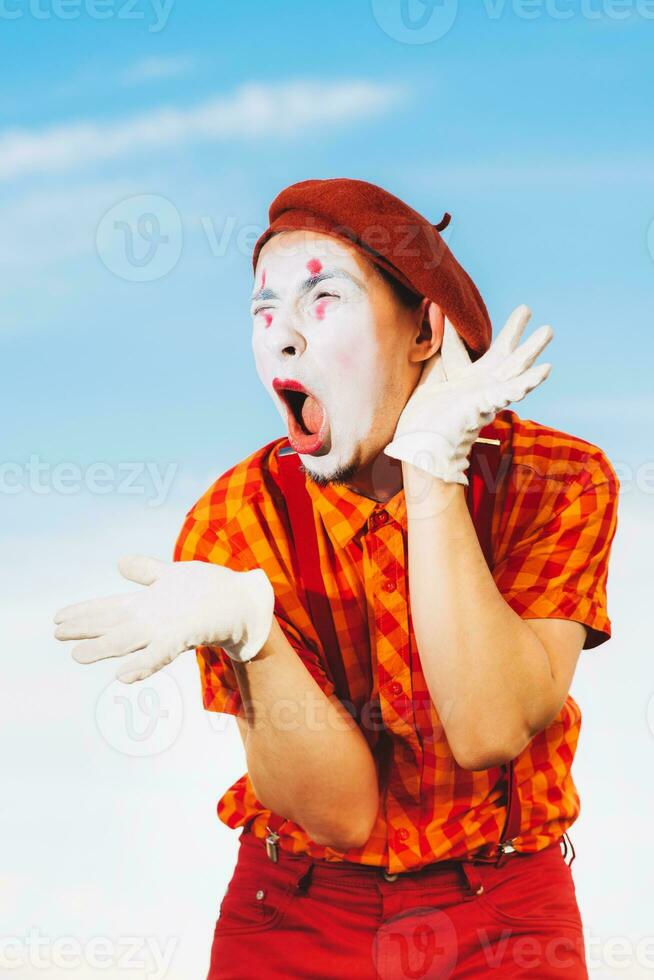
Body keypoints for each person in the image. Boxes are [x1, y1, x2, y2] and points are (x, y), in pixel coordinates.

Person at [54, 178, 620, 978]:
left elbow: (490, 727)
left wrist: (431, 473)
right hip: (298, 909)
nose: (282, 337)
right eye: (263, 313)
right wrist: (256, 642)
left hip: (505, 911)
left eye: (323, 300)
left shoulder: (560, 479)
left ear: (425, 330)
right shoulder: (235, 519)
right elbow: (342, 816)